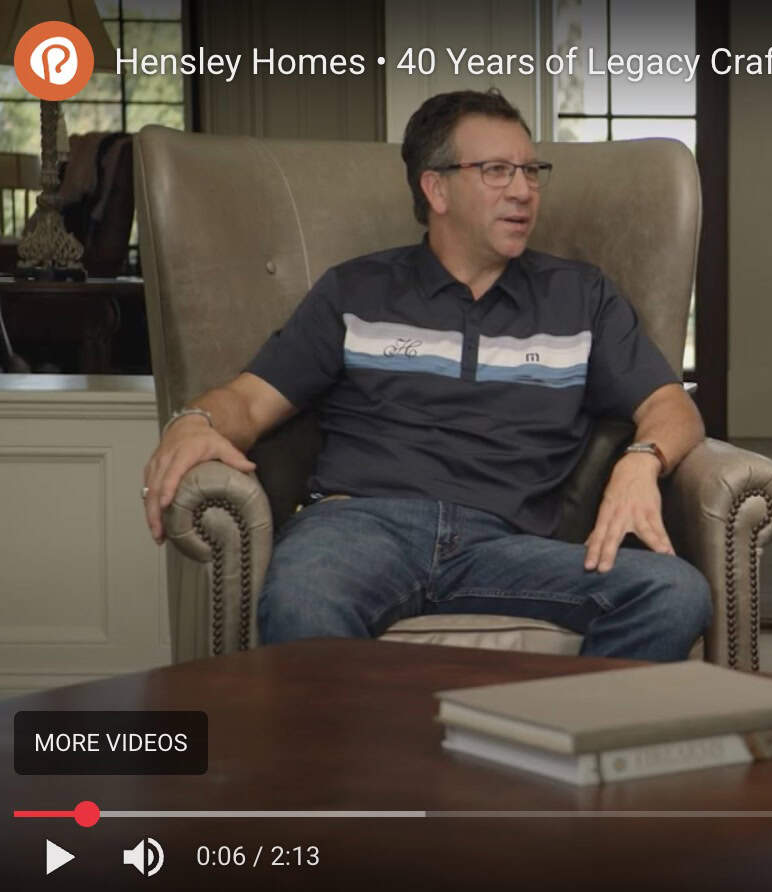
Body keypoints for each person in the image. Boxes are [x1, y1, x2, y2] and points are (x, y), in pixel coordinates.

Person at [140, 89, 710, 660]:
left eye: (531, 171)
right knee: (302, 603)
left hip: (506, 545)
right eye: (496, 171)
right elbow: (248, 402)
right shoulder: (356, 291)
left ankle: (551, 719)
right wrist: (196, 420)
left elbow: (672, 407)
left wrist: (643, 460)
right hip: (358, 529)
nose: (523, 190)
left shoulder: (581, 298)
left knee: (674, 593)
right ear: (436, 188)